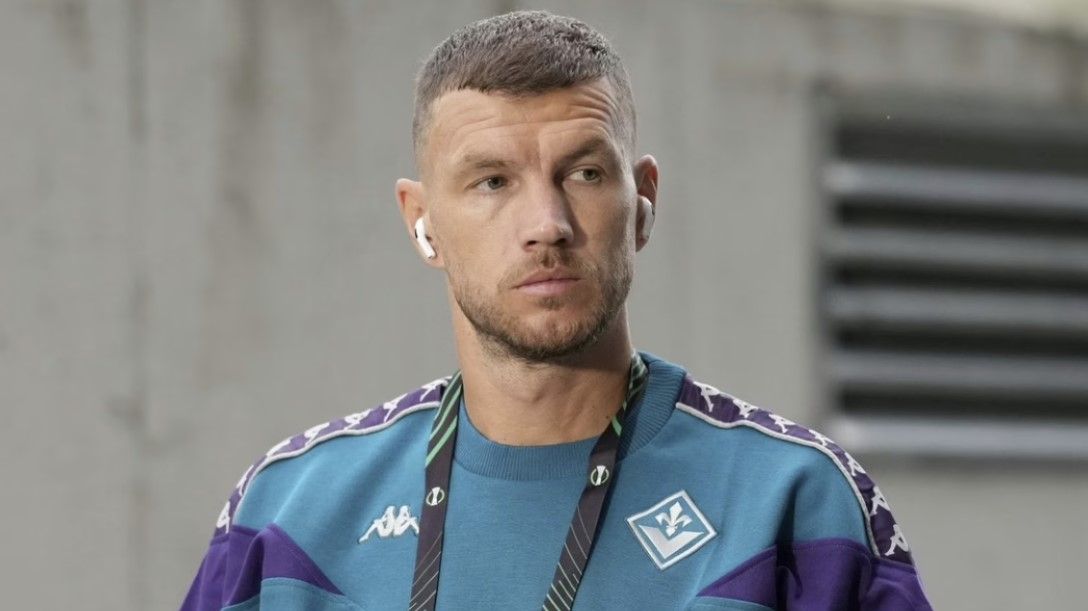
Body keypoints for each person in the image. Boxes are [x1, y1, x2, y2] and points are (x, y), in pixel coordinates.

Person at [182, 10, 932, 611]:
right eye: (492, 181)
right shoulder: (287, 515)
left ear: (643, 202)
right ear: (421, 221)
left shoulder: (791, 503)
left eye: (584, 172)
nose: (546, 223)